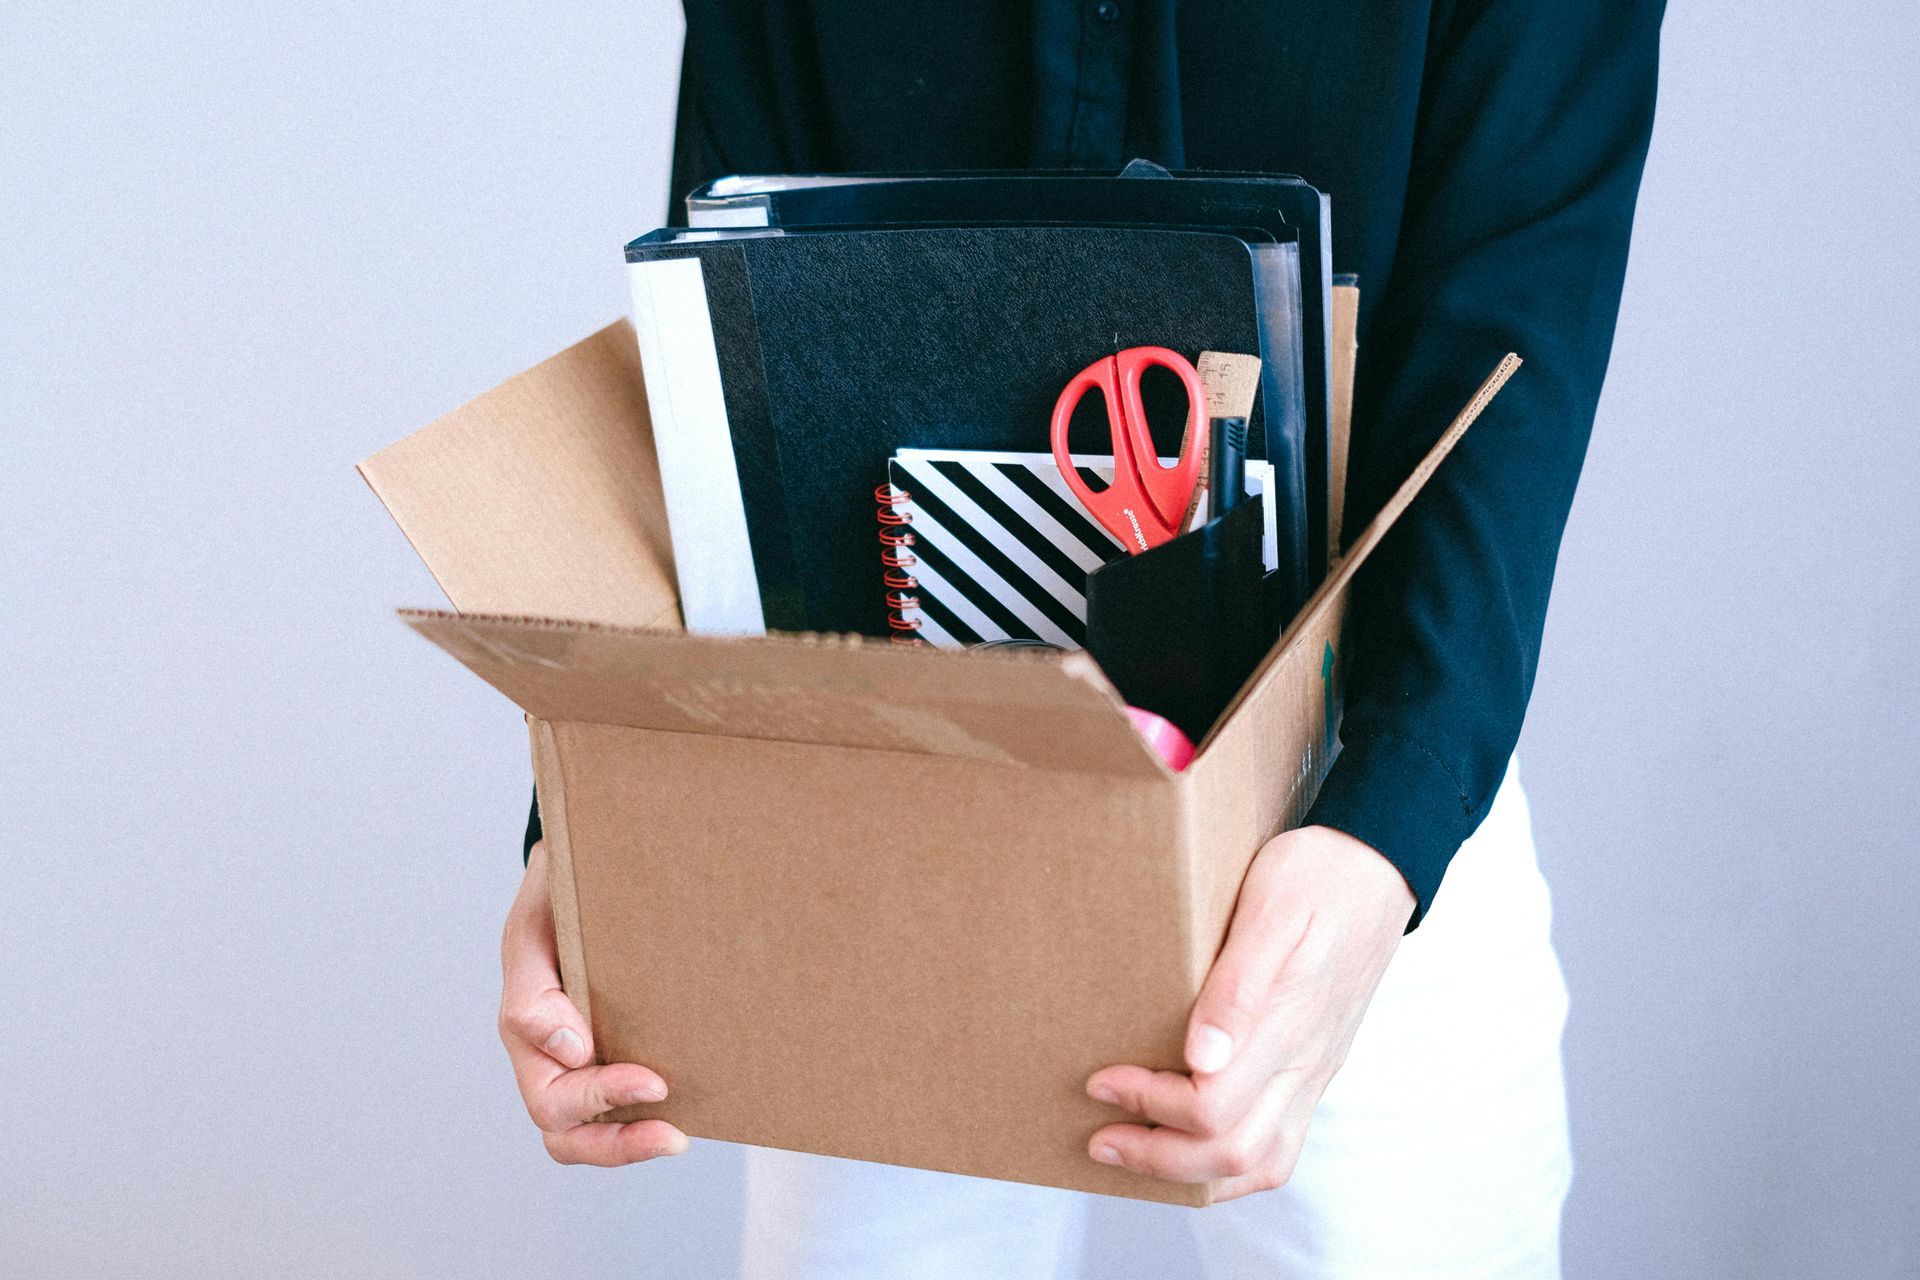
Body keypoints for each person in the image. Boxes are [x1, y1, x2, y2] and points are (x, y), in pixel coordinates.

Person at [497, 1, 1664, 1275]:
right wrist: (599, 823)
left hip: (1360, 770)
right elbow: (735, 318)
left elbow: (1516, 320)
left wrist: (1390, 824)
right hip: (884, 785)